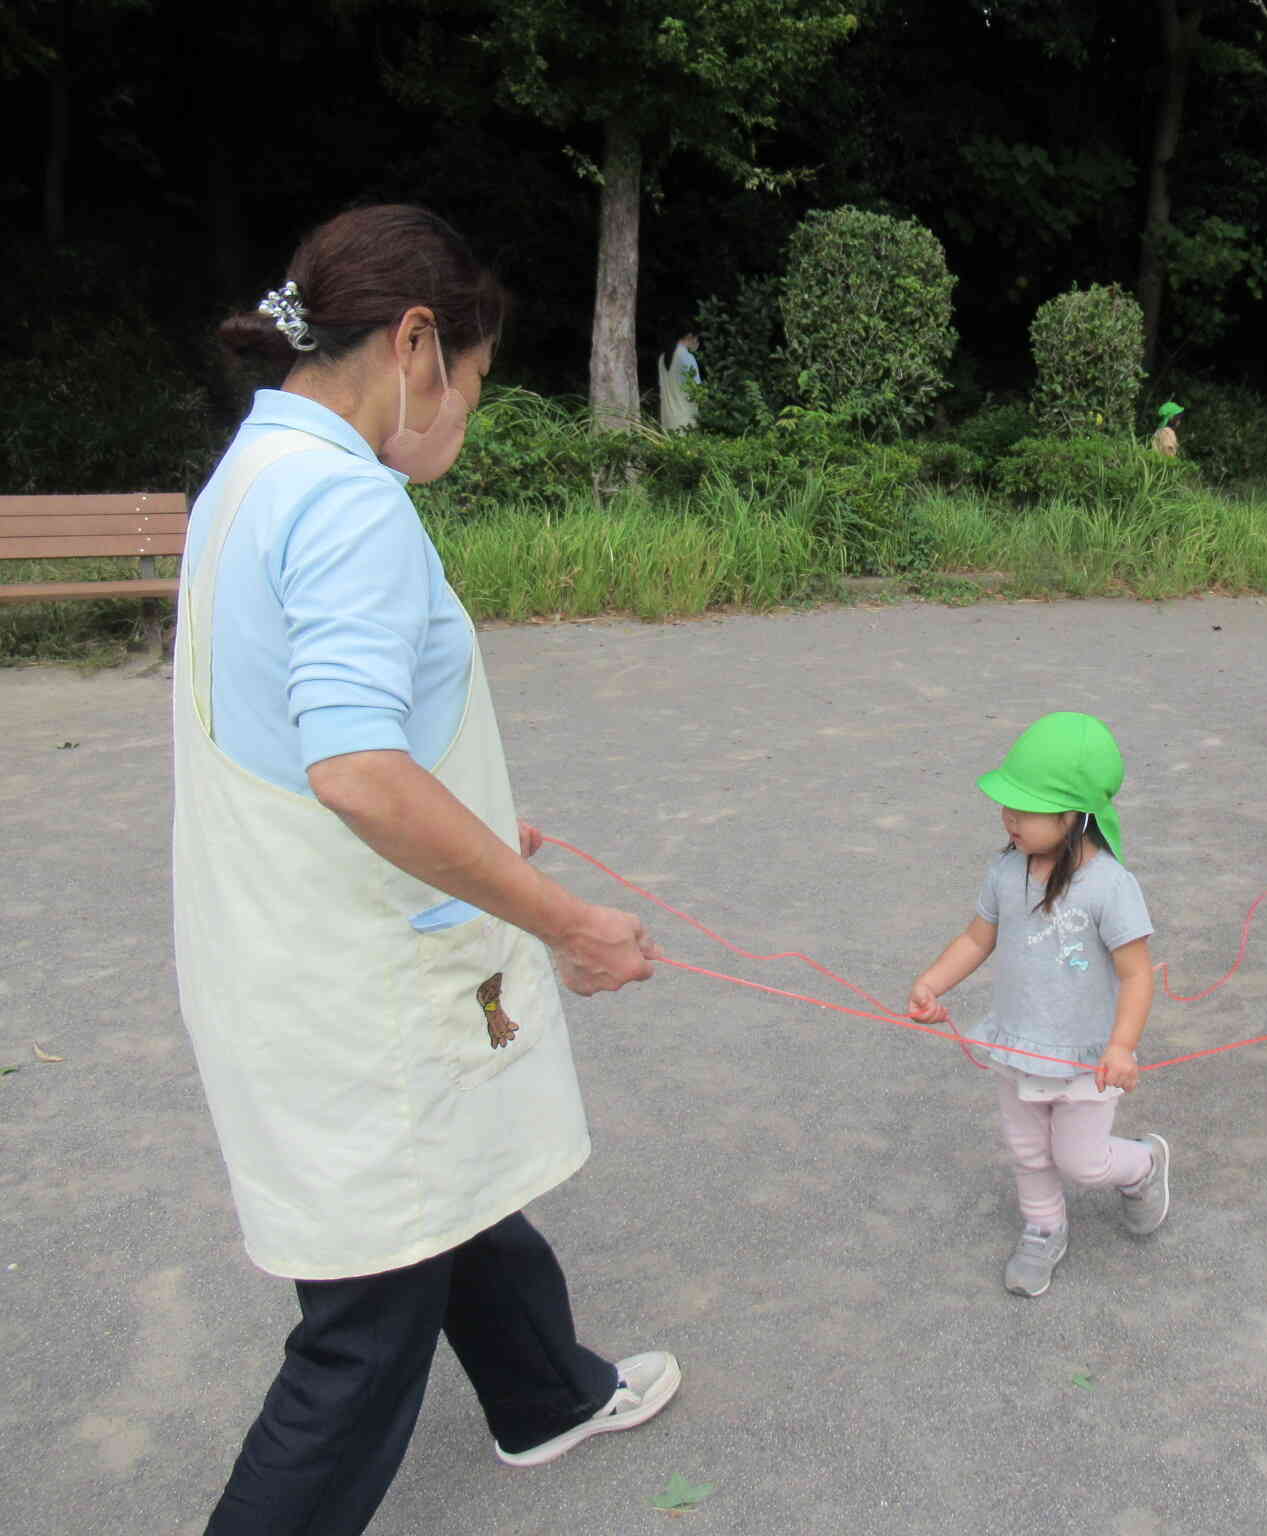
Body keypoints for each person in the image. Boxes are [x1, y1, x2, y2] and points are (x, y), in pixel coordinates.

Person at [189, 206, 674, 1536]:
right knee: (364, 1326)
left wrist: (462, 837)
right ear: (415, 344)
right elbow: (357, 770)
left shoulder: (254, 472)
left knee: (440, 1198)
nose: (464, 416)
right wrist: (570, 923)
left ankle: (548, 1394)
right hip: (346, 980)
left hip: (302, 935)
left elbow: (313, 744)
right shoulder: (348, 500)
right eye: (470, 381)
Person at [905, 713, 1170, 1299]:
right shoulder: (1006, 870)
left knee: (1083, 1162)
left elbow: (1136, 974)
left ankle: (1144, 1164)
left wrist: (1123, 1046)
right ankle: (1043, 1227)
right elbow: (978, 938)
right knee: (1028, 1151)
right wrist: (933, 982)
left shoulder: (1110, 885)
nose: (1008, 818)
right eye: (1008, 805)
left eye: (1024, 808)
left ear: (1074, 815)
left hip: (1086, 1056)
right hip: (1017, 1041)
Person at [657, 328, 701, 432]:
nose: (698, 342)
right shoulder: (688, 358)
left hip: (667, 421)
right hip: (685, 422)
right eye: (697, 338)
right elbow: (697, 392)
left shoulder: (662, 358)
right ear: (690, 335)